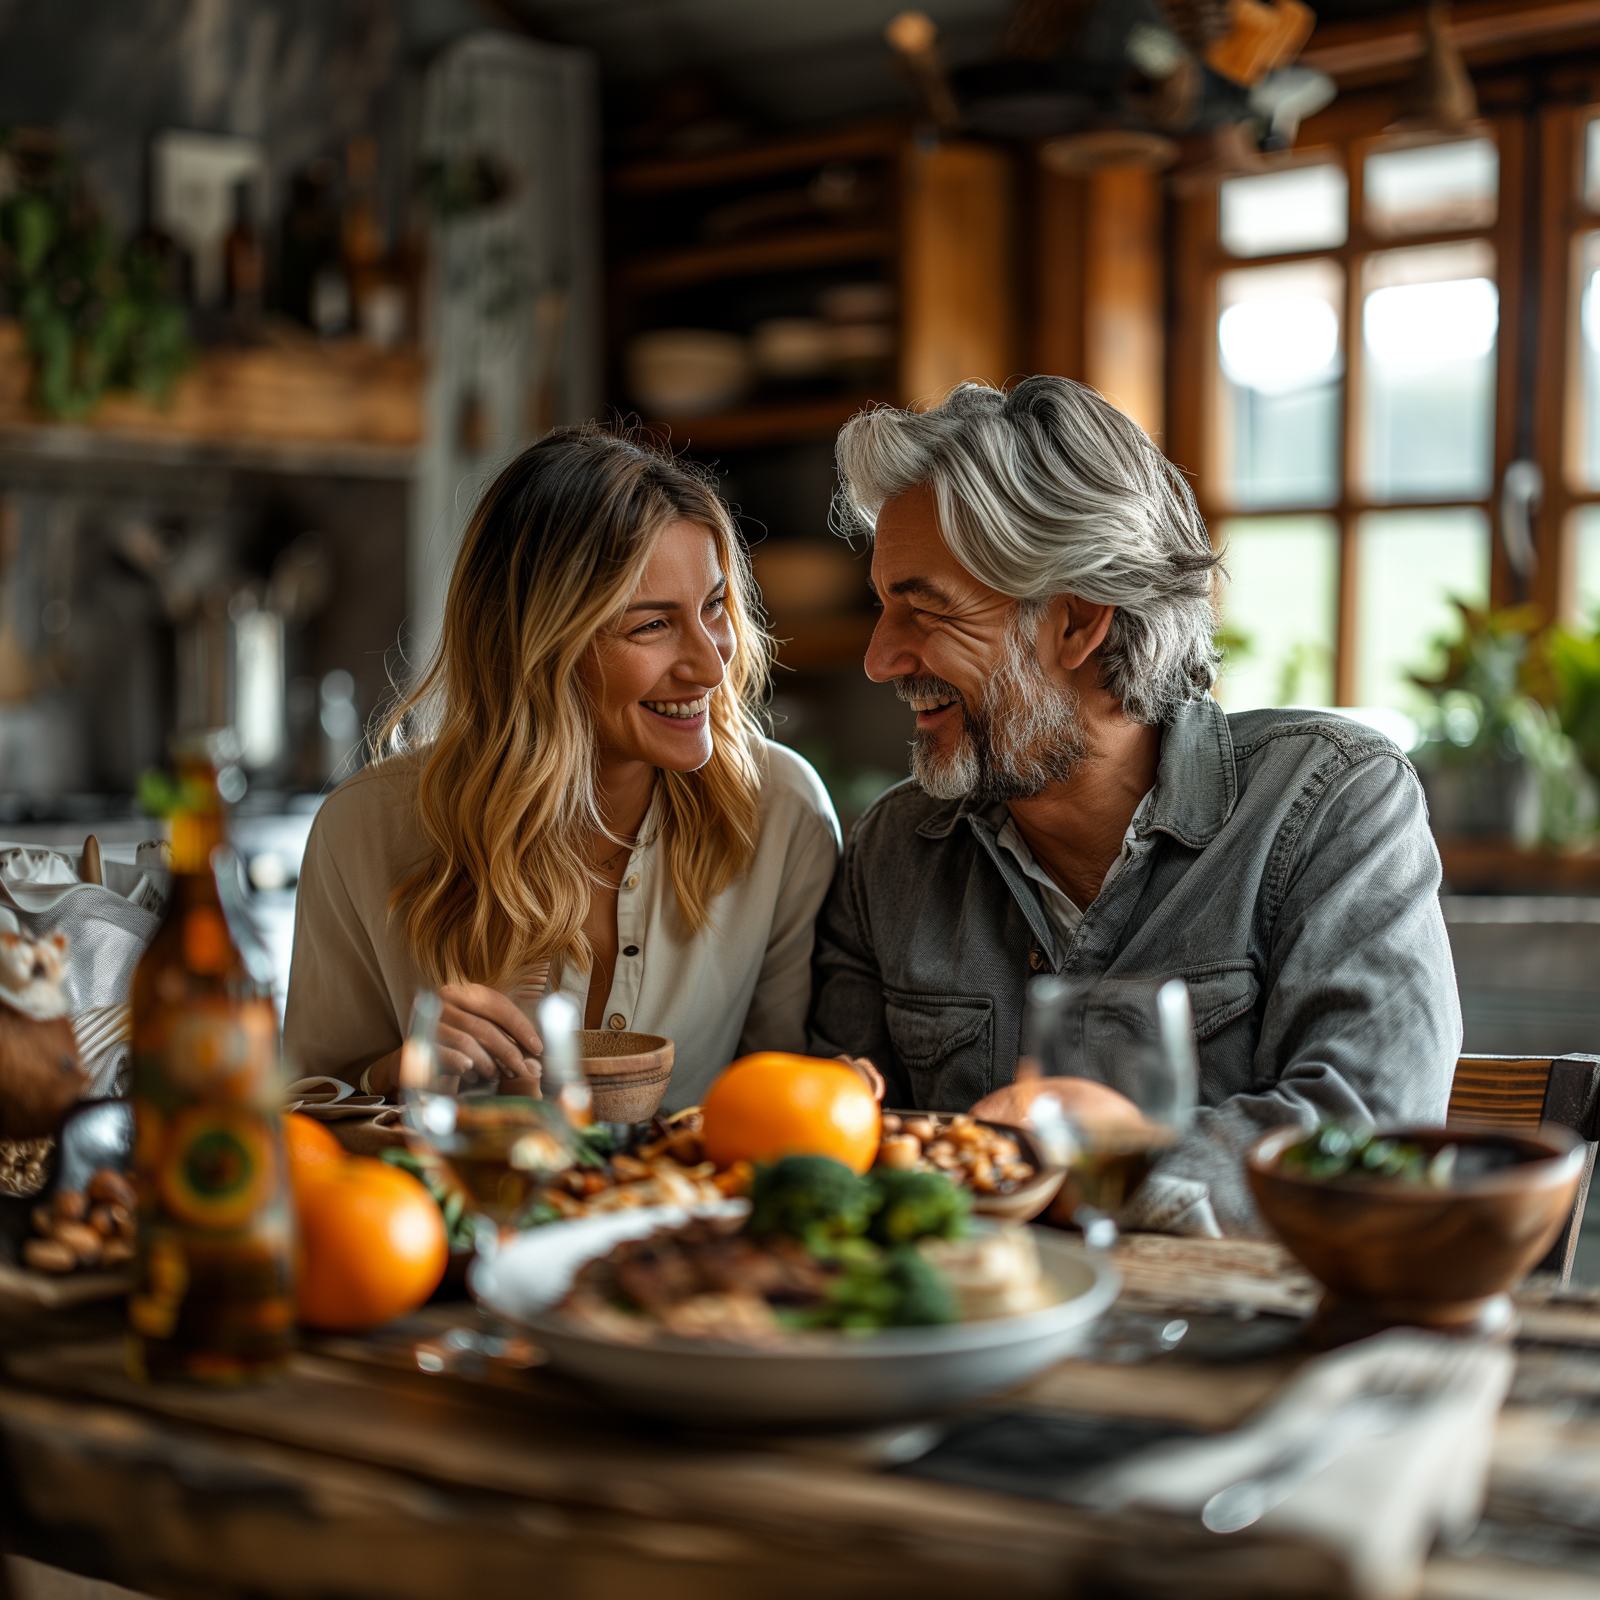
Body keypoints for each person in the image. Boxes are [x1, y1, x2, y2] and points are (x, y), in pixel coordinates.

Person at [807, 378, 1460, 1236]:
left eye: (924, 609)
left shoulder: (1331, 801)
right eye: (883, 606)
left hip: (1243, 1354)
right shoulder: (894, 849)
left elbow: (1365, 1131)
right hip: (972, 1348)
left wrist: (1113, 1165)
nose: (880, 657)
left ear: (1077, 623)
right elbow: (829, 1150)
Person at [285, 425, 840, 1110]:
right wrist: (397, 1074)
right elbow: (301, 1123)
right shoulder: (364, 830)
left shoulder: (782, 812)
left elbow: (785, 1110)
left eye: (714, 606)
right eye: (652, 625)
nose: (711, 660)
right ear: (538, 651)